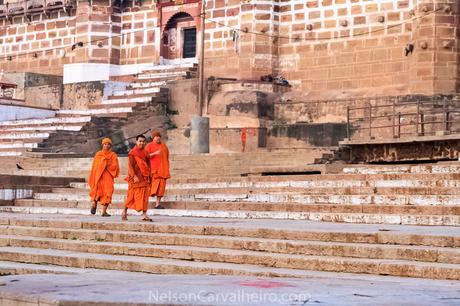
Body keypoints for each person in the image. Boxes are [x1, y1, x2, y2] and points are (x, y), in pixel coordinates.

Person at [122, 134, 152, 221]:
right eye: (140, 141)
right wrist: (134, 176)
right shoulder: (132, 153)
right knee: (131, 197)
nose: (141, 143)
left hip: (144, 178)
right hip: (135, 178)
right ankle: (124, 211)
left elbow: (148, 166)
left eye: (143, 142)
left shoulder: (146, 153)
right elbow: (130, 166)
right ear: (136, 142)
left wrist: (149, 176)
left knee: (145, 197)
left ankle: (144, 214)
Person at [88, 138, 120, 217]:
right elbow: (95, 166)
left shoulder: (113, 155)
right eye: (105, 144)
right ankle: (94, 204)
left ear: (110, 145)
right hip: (99, 176)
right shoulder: (98, 154)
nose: (106, 145)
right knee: (97, 191)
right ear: (102, 145)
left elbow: (115, 166)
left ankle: (104, 211)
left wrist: (106, 162)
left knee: (108, 192)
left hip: (108, 177)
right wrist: (103, 161)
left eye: (108, 144)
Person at [145, 131, 170, 209]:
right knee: (151, 187)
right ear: (153, 138)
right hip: (153, 170)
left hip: (162, 170)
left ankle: (157, 204)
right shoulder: (149, 146)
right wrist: (154, 153)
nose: (158, 137)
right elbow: (145, 156)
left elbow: (167, 157)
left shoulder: (164, 146)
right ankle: (144, 203)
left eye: (159, 136)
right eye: (156, 136)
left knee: (161, 188)